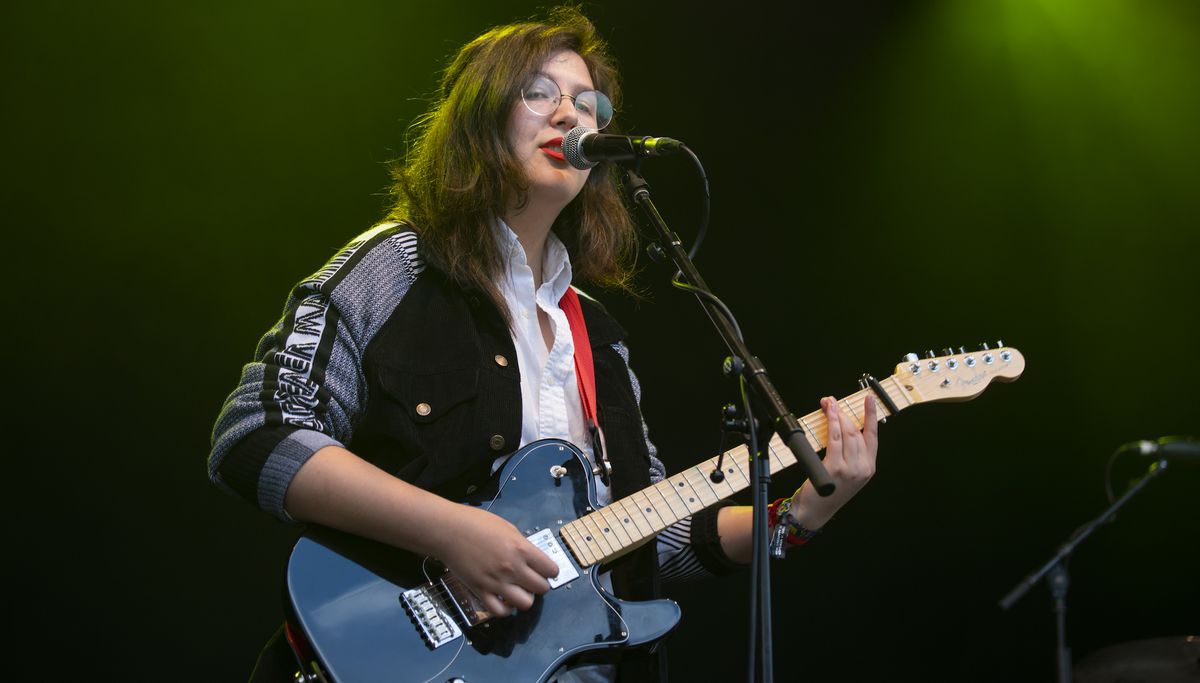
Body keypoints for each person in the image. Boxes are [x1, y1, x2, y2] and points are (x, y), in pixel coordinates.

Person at [208, 7, 879, 682]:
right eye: (541, 93)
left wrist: (798, 513)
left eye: (589, 104)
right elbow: (255, 433)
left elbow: (645, 540)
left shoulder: (597, 337)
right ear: (481, 114)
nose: (571, 116)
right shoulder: (397, 266)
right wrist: (452, 532)